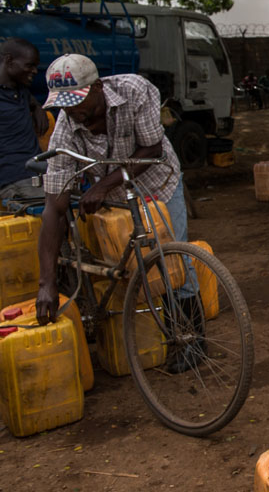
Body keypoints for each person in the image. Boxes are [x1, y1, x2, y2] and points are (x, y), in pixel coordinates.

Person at [35, 54, 200, 369]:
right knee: (133, 269)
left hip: (157, 183)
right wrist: (46, 283)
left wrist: (102, 185)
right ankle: (146, 333)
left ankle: (192, 338)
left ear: (98, 87)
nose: (72, 111)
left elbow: (152, 148)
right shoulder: (66, 130)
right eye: (64, 105)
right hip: (117, 200)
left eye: (77, 101)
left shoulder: (134, 91)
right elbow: (54, 209)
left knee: (174, 258)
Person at [0, 37, 47, 201]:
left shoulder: (19, 90)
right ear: (9, 60)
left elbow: (27, 98)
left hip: (38, 175)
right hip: (16, 180)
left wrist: (37, 106)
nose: (34, 71)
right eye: (29, 65)